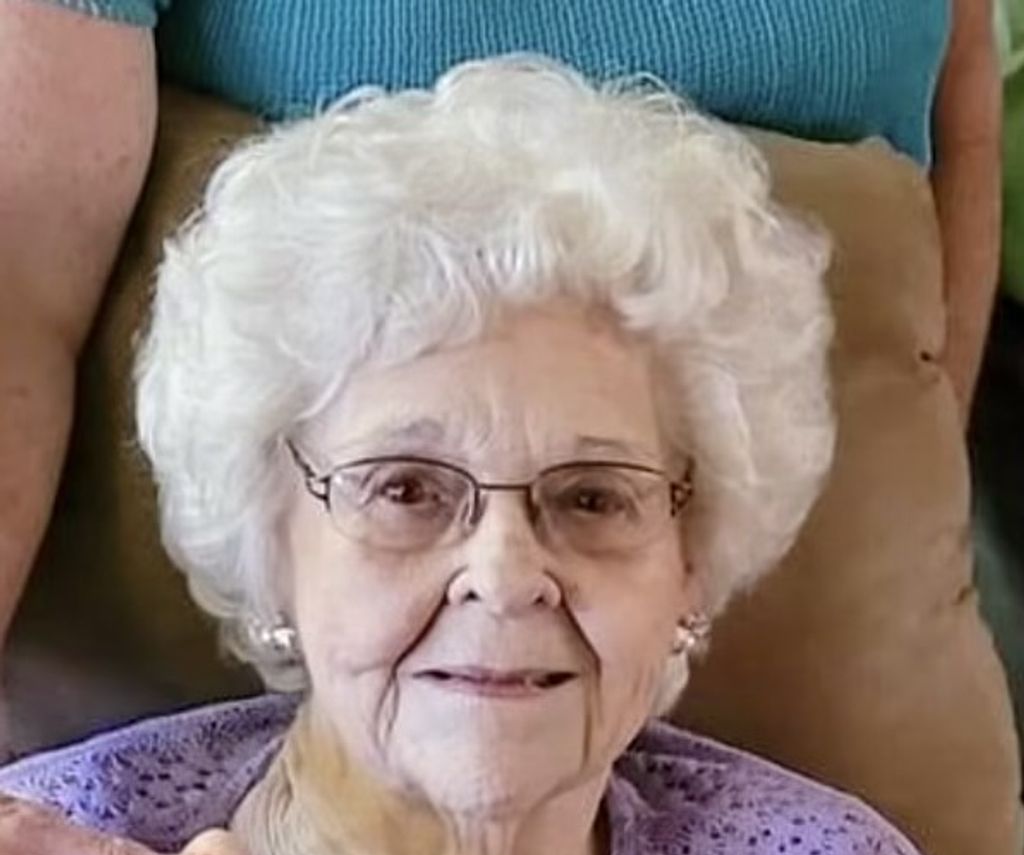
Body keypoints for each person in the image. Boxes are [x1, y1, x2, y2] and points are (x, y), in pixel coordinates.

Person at [0, 59, 998, 855]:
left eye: (592, 498)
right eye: (407, 490)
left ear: (690, 564)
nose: (507, 573)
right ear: (272, 543)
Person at [0, 0, 1002, 758]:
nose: (507, 577)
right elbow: (17, 293)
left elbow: (956, 136)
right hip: (244, 709)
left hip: (797, 641)